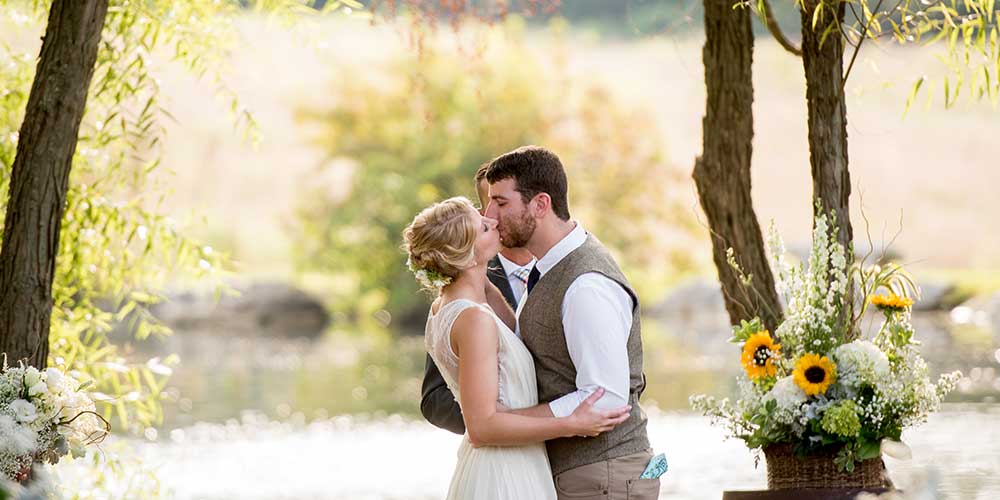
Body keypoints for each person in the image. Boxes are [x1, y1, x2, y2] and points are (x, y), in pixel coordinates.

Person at [403, 196, 630, 500]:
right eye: (483, 227)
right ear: (466, 257)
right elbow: (482, 427)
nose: (493, 220)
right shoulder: (473, 320)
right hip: (505, 473)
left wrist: (478, 272)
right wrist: (569, 424)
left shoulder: (446, 306)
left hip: (506, 463)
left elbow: (513, 331)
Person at [483, 145, 661, 499]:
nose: (489, 215)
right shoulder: (548, 268)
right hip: (586, 474)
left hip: (603, 476)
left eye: (501, 203)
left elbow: (605, 400)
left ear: (540, 204)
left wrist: (511, 419)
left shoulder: (585, 286)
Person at [419, 165, 535, 434]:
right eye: (491, 204)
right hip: (503, 451)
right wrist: (494, 421)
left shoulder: (566, 271)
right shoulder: (459, 298)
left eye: (504, 201)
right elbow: (435, 399)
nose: (492, 217)